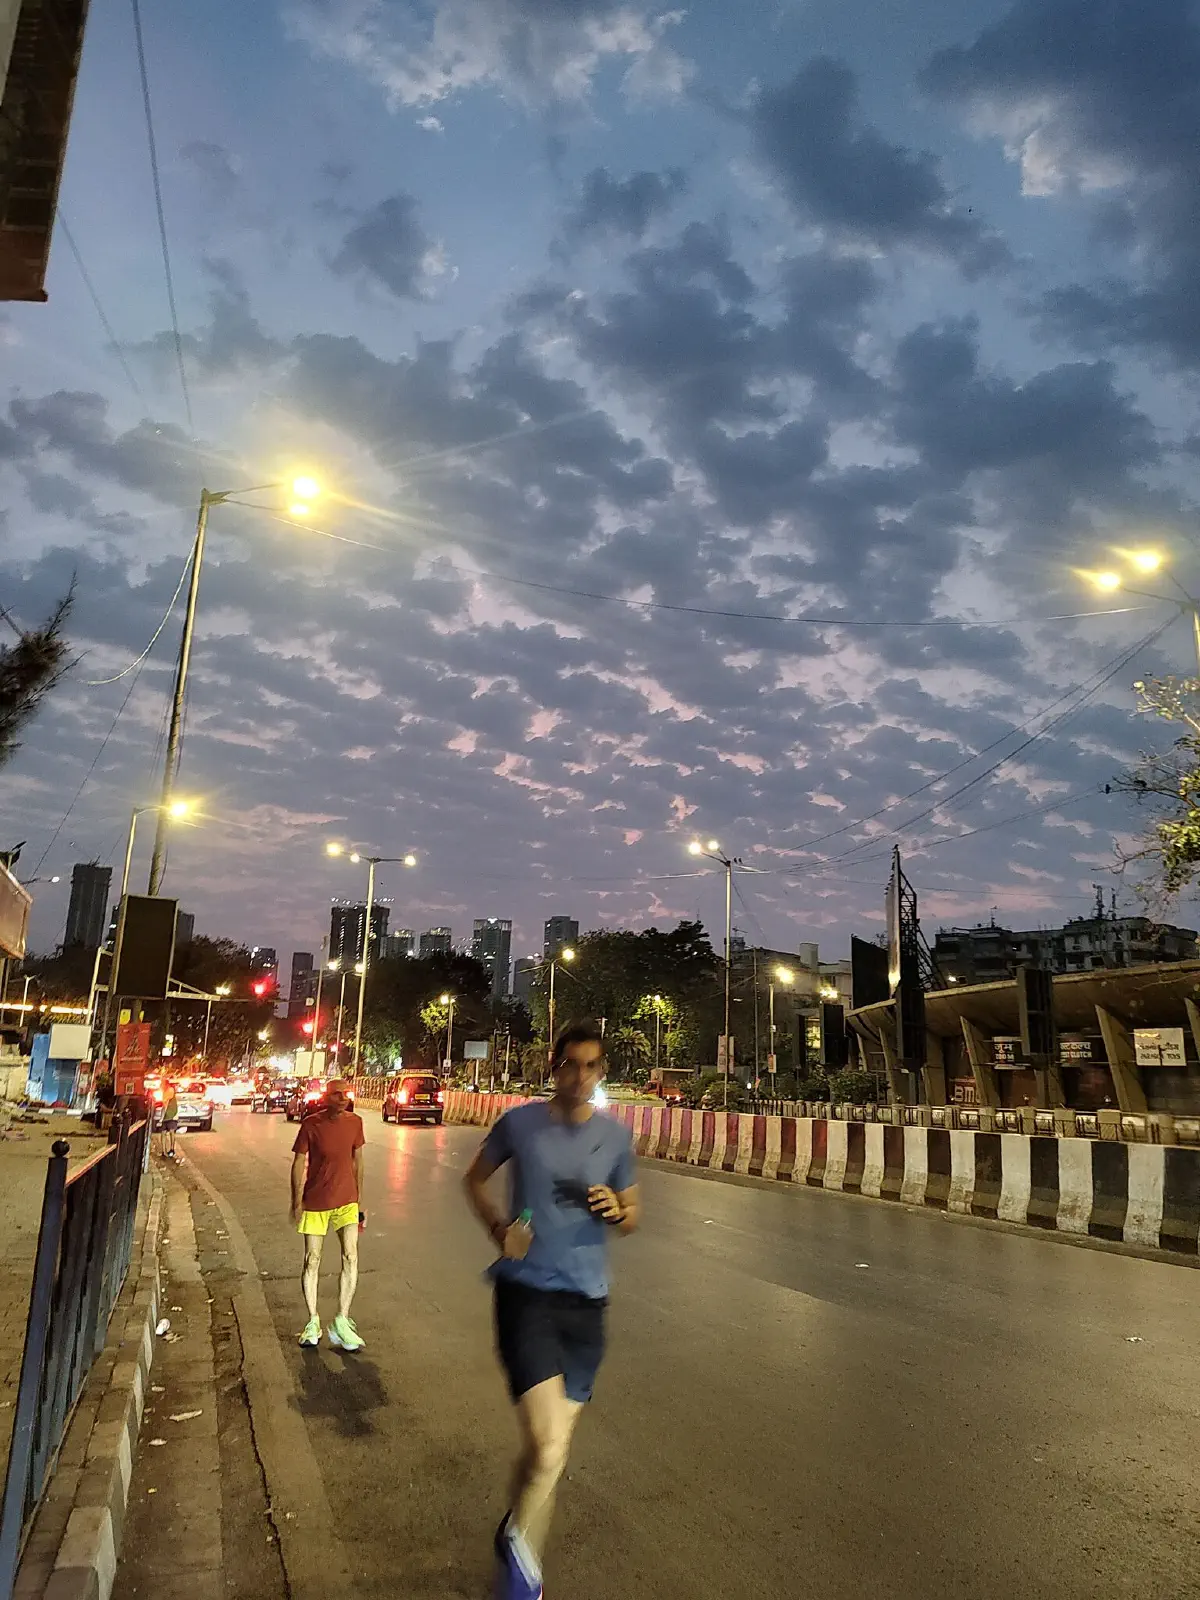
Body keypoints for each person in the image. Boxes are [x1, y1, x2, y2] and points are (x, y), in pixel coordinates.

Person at [464, 1020, 639, 1600]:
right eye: (571, 1065)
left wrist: (616, 1207)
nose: (581, 1077)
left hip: (588, 1306)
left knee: (549, 1457)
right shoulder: (520, 1123)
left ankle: (519, 1540)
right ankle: (522, 1572)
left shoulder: (615, 1138)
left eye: (592, 1066)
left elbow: (632, 1216)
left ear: (603, 1070)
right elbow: (474, 1180)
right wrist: (499, 1229)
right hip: (526, 1296)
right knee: (549, 1445)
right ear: (552, 1064)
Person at [289, 1078, 366, 1351]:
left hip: (347, 1201)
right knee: (312, 1260)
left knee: (351, 1256)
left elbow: (358, 1161)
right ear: (326, 1098)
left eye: (346, 1094)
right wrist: (295, 1201)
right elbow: (299, 1162)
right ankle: (312, 1321)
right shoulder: (311, 1124)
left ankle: (342, 1319)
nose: (343, 1098)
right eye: (337, 1094)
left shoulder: (355, 1123)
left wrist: (359, 1200)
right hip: (316, 1201)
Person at [158, 1086, 179, 1159]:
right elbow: (164, 1106)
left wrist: (161, 1118)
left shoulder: (169, 1091)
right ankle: (167, 1151)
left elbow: (165, 1105)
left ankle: (169, 1150)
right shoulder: (167, 1092)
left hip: (171, 1116)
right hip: (168, 1117)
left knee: (169, 1132)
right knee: (167, 1132)